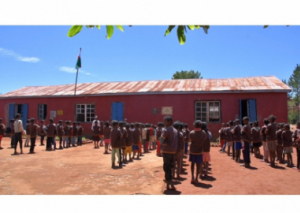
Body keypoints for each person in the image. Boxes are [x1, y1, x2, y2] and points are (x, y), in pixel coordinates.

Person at [160, 116, 178, 191]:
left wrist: (163, 142)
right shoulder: (175, 130)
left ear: (170, 122)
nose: (164, 123)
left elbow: (161, 140)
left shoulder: (166, 130)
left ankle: (170, 183)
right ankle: (168, 185)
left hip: (166, 151)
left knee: (166, 168)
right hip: (173, 151)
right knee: (170, 168)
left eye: (165, 121)